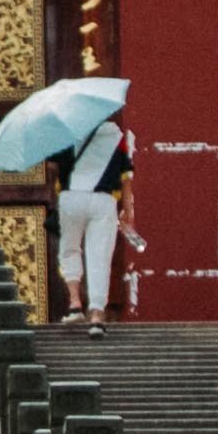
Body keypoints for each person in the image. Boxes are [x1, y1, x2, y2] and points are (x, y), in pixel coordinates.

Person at [55, 84, 129, 329]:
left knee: (70, 250)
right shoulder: (116, 135)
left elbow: (53, 164)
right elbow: (126, 174)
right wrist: (128, 209)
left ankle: (75, 303)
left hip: (72, 198)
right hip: (103, 200)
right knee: (100, 256)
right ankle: (97, 314)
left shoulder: (67, 132)